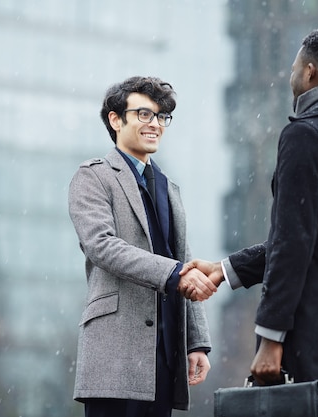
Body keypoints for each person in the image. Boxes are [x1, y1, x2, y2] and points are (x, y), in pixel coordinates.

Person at [181, 27, 318, 417]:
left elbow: (294, 242)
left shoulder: (305, 135)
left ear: (309, 73)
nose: (290, 74)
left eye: (293, 66)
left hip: (303, 326)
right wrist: (226, 269)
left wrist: (271, 337)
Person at [68, 76, 217, 417]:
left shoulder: (168, 187)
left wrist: (197, 342)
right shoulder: (93, 176)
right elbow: (102, 246)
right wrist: (174, 272)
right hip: (115, 352)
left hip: (165, 354)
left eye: (161, 116)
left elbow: (184, 259)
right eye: (144, 115)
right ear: (115, 119)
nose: (155, 125)